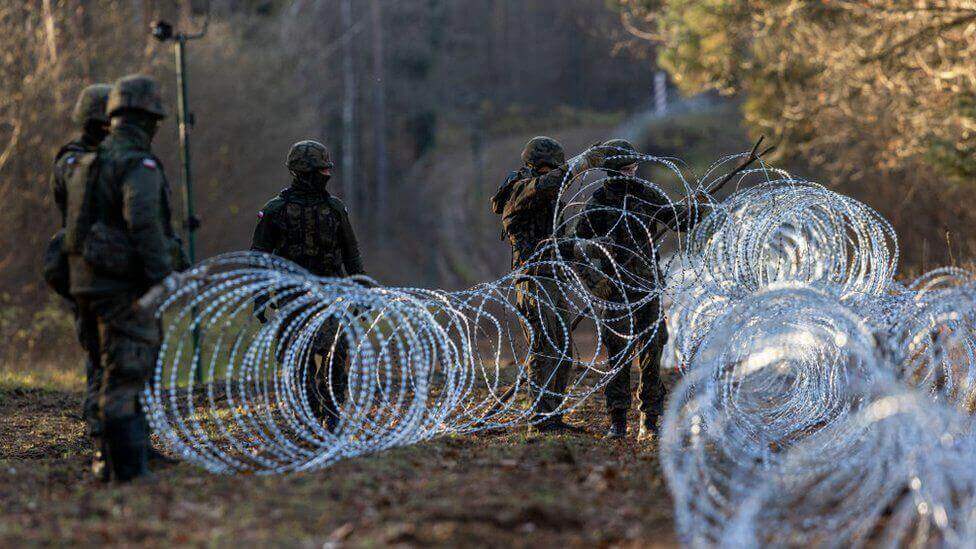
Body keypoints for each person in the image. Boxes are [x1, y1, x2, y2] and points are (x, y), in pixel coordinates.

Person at [64, 74, 185, 481]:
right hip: (122, 286)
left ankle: (108, 463)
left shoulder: (86, 163)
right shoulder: (139, 164)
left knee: (105, 371)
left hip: (85, 282)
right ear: (147, 117)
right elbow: (145, 224)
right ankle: (129, 471)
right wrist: (163, 277)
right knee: (127, 375)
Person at [573, 139, 701, 441]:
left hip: (647, 284)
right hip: (616, 287)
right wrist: (597, 261)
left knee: (653, 349)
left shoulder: (647, 193)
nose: (631, 172)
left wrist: (694, 209)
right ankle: (617, 420)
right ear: (612, 170)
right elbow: (580, 242)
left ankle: (650, 419)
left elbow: (678, 222)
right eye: (625, 168)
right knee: (618, 354)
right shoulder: (600, 200)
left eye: (633, 167)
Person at [491, 136, 605, 432]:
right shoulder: (520, 190)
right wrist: (579, 164)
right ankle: (540, 421)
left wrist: (589, 258)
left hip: (551, 278)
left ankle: (552, 416)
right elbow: (545, 186)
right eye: (549, 169)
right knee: (545, 347)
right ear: (537, 166)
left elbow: (558, 244)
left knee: (563, 349)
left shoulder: (548, 200)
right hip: (532, 279)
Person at [250, 140, 365, 432]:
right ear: (303, 172)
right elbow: (259, 256)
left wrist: (361, 290)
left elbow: (351, 254)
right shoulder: (275, 210)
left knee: (336, 359)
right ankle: (311, 413)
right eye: (321, 170)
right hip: (294, 298)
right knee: (298, 361)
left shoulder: (335, 209)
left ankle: (334, 411)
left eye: (327, 169)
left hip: (333, 295)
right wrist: (261, 295)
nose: (326, 175)